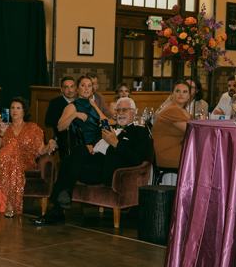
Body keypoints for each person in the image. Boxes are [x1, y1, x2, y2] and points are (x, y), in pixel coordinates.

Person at [33, 97, 152, 226]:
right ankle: (60, 205)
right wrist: (92, 146)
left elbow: (137, 159)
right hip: (96, 163)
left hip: (113, 173)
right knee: (76, 153)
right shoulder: (110, 127)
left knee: (71, 164)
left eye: (125, 110)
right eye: (118, 110)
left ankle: (57, 210)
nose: (121, 113)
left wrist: (116, 143)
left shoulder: (140, 131)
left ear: (134, 112)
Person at [0, 97, 53, 217]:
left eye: (18, 108)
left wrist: (49, 147)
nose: (14, 111)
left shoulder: (33, 128)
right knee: (12, 159)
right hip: (6, 162)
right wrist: (1, 133)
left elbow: (41, 150)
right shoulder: (3, 127)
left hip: (26, 160)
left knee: (13, 145)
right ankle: (10, 205)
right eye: (12, 108)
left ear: (24, 111)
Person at [57, 75, 107, 149]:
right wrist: (74, 115)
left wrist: (94, 105)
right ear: (77, 89)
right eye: (83, 85)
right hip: (85, 146)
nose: (86, 88)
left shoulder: (92, 104)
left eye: (89, 86)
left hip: (99, 142)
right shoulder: (73, 106)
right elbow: (60, 127)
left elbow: (105, 121)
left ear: (92, 89)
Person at [152, 81, 192, 169]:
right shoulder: (172, 110)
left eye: (184, 92)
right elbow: (191, 132)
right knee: (202, 158)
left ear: (189, 96)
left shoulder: (182, 110)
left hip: (176, 148)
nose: (181, 94)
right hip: (167, 152)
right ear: (172, 94)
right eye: (177, 91)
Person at [44, 76, 76, 152]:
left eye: (72, 87)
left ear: (75, 88)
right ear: (61, 89)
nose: (70, 90)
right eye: (66, 87)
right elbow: (48, 123)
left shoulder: (79, 102)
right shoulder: (55, 103)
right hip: (61, 138)